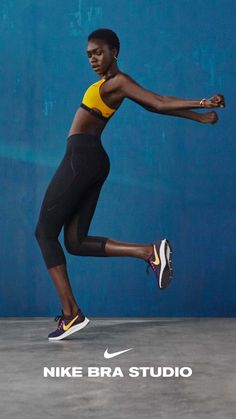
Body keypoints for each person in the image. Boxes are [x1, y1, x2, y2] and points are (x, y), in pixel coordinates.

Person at [35, 28, 225, 341]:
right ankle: (149, 251)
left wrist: (204, 103)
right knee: (75, 242)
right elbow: (154, 105)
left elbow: (159, 101)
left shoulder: (117, 82)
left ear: (115, 52)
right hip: (90, 160)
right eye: (89, 55)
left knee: (44, 232)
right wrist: (199, 117)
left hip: (82, 158)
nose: (93, 59)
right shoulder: (108, 86)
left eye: (98, 52)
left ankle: (71, 314)